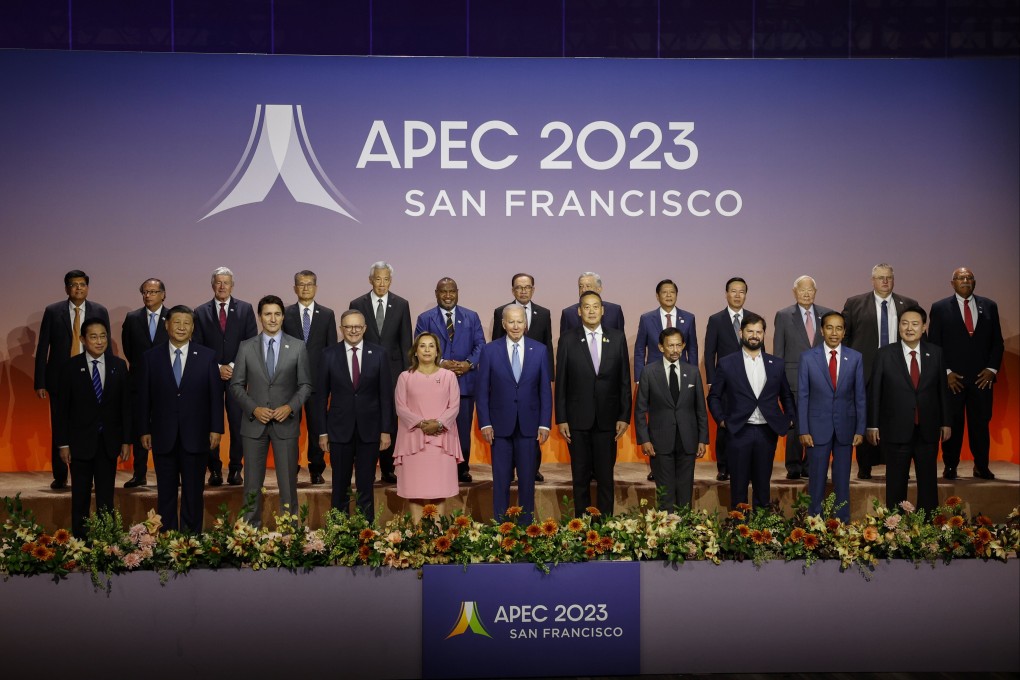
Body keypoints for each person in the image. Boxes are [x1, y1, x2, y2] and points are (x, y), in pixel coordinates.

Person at [137, 305, 224, 533]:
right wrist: (144, 429)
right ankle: (167, 538)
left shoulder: (207, 356)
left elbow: (216, 396)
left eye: (187, 323)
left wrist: (216, 428)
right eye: (177, 322)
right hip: (163, 434)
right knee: (165, 491)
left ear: (193, 327)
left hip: (196, 434)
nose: (182, 327)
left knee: (193, 491)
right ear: (167, 325)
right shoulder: (151, 357)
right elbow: (144, 397)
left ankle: (190, 539)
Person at [229, 295, 312, 526]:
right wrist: (254, 409)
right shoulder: (246, 347)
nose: (272, 319)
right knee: (251, 484)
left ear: (283, 316)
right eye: (267, 314)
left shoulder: (297, 346)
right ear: (260, 317)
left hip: (286, 423)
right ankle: (250, 532)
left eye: (277, 314)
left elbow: (305, 385)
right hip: (254, 425)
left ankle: (289, 532)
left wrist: (290, 407)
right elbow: (236, 385)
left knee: (288, 484)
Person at [866, 306, 951, 514]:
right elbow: (875, 392)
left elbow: (942, 390)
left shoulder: (936, 353)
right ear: (899, 327)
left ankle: (927, 523)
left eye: (915, 324)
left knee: (928, 482)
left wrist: (946, 422)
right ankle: (895, 525)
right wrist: (872, 424)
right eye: (904, 323)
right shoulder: (885, 354)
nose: (909, 328)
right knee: (896, 482)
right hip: (896, 429)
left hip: (927, 428)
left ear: (924, 327)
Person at [707, 312, 795, 510]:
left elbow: (786, 395)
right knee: (738, 487)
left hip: (767, 432)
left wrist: (790, 418)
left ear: (763, 335)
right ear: (741, 333)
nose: (754, 336)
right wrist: (721, 420)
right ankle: (738, 526)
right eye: (750, 331)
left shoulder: (776, 364)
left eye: (759, 332)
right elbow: (714, 396)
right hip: (739, 431)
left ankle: (760, 527)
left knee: (763, 487)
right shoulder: (727, 363)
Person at [555, 291, 632, 517]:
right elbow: (561, 382)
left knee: (606, 478)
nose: (591, 311)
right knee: (580, 478)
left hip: (608, 420)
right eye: (586, 307)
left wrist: (624, 416)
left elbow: (624, 381)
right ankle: (581, 526)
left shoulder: (617, 338)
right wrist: (561, 418)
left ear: (603, 310)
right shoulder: (567, 339)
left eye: (595, 306)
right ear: (579, 311)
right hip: (577, 420)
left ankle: (605, 525)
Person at [53, 318, 130, 538]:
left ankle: (107, 542)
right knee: (80, 496)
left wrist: (126, 440)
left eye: (103, 336)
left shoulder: (118, 366)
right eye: (94, 337)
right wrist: (63, 443)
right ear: (83, 339)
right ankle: (81, 542)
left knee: (106, 497)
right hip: (79, 443)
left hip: (108, 443)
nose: (99, 341)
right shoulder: (70, 367)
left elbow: (126, 407)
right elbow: (61, 410)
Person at [841, 263, 919, 479]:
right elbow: (845, 338)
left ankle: (899, 466)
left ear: (893, 280)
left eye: (889, 277)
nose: (885, 281)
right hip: (865, 371)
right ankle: (865, 466)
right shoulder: (855, 303)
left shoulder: (909, 304)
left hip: (899, 371)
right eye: (880, 277)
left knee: (899, 419)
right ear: (872, 280)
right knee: (866, 417)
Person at [34, 269, 111, 490]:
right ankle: (60, 475)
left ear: (88, 287)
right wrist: (40, 381)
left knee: (92, 425)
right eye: (74, 284)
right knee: (60, 424)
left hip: (92, 376)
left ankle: (91, 475)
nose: (78, 288)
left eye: (82, 284)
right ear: (67, 288)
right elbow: (43, 346)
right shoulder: (53, 311)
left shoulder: (99, 310)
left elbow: (105, 345)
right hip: (60, 378)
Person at [477, 306, 552, 525]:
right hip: (499, 427)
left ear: (526, 324)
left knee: (527, 481)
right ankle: (500, 528)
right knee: (501, 480)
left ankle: (526, 527)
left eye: (520, 322)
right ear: (503, 324)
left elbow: (545, 391)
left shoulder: (539, 350)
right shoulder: (489, 351)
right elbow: (482, 391)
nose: (516, 326)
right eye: (511, 322)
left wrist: (545, 424)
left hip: (529, 426)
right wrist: (485, 423)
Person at [927, 267, 1004, 481]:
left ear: (974, 282)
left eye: (969, 277)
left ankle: (981, 466)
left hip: (982, 379)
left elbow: (997, 342)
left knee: (980, 424)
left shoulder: (989, 306)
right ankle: (950, 466)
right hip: (953, 380)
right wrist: (946, 373)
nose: (965, 280)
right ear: (952, 283)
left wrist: (991, 369)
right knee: (952, 424)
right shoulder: (940, 308)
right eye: (960, 278)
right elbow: (934, 344)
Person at [315, 310, 393, 520]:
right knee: (340, 484)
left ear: (365, 328)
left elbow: (386, 396)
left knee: (366, 484)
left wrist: (385, 430)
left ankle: (365, 531)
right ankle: (339, 530)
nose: (353, 331)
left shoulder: (379, 354)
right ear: (341, 329)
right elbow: (321, 397)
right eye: (348, 326)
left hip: (370, 430)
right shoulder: (329, 354)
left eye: (357, 326)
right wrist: (322, 432)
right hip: (339, 430)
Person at [414, 277, 485, 483]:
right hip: (434, 383)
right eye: (443, 292)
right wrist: (442, 362)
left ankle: (462, 468)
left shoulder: (471, 316)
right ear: (436, 293)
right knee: (436, 428)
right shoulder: (425, 318)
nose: (448, 295)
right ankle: (437, 467)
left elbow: (480, 345)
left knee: (462, 429)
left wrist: (468, 364)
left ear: (457, 292)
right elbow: (418, 345)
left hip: (466, 382)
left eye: (451, 291)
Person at [192, 267, 258, 487]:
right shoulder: (200, 311)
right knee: (211, 422)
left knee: (238, 422)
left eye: (226, 282)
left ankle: (236, 468)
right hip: (210, 375)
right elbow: (198, 345)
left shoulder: (245, 309)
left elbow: (250, 342)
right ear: (213, 285)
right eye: (218, 282)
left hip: (237, 375)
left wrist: (231, 365)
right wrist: (217, 367)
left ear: (232, 285)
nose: (222, 286)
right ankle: (214, 470)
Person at [797, 312, 865, 522]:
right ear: (822, 330)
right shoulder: (808, 357)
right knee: (816, 479)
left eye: (839, 328)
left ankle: (842, 523)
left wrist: (860, 429)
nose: (834, 333)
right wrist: (803, 429)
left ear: (844, 332)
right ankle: (815, 522)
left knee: (842, 479)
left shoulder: (855, 357)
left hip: (846, 426)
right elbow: (803, 396)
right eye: (829, 327)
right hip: (816, 428)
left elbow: (860, 396)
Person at [350, 261, 412, 484]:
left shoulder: (401, 304)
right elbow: (353, 339)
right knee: (366, 416)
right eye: (378, 279)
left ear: (390, 281)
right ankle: (365, 466)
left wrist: (407, 375)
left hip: (393, 371)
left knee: (390, 418)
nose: (382, 283)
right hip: (364, 369)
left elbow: (406, 342)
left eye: (386, 279)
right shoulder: (357, 303)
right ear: (371, 280)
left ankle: (388, 468)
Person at [634, 328, 708, 511]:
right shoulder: (649, 372)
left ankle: (684, 527)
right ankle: (666, 528)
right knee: (665, 494)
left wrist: (702, 439)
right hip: (659, 441)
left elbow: (700, 408)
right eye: (671, 345)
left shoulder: (692, 372)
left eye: (678, 345)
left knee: (685, 493)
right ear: (661, 347)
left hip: (687, 440)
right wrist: (644, 439)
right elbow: (640, 409)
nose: (675, 350)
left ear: (683, 346)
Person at [491, 272, 554, 483]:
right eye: (519, 287)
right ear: (513, 290)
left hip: (533, 380)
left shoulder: (543, 313)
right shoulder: (501, 312)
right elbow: (496, 346)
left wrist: (548, 377)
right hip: (508, 380)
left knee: (531, 430)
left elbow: (547, 345)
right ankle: (508, 470)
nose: (523, 291)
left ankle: (532, 469)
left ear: (533, 289)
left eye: (527, 287)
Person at [393, 332, 462, 520]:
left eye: (431, 346)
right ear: (415, 351)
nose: (427, 350)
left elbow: (454, 406)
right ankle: (418, 532)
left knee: (439, 489)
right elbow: (401, 407)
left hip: (442, 440)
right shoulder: (405, 377)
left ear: (437, 351)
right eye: (422, 346)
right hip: (413, 440)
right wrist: (421, 423)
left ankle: (438, 531)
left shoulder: (449, 376)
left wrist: (438, 424)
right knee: (414, 490)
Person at [772, 275, 834, 480]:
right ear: (794, 292)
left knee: (817, 422)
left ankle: (811, 465)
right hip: (793, 379)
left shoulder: (827, 315)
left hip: (821, 379)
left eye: (810, 290)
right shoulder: (783, 315)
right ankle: (794, 466)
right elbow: (779, 351)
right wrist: (778, 382)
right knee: (795, 423)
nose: (806, 293)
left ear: (815, 292)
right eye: (802, 290)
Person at [283, 270, 338, 485]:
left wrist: (331, 379)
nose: (305, 288)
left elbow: (331, 349)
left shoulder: (327, 314)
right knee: (290, 428)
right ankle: (291, 467)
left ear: (316, 287)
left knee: (317, 427)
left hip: (318, 381)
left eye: (309, 284)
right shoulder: (285, 313)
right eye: (301, 284)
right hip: (290, 382)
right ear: (294, 288)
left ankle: (316, 468)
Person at [702, 276, 758, 482]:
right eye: (733, 291)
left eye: (741, 291)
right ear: (726, 294)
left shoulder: (753, 319)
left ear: (746, 295)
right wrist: (711, 381)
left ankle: (747, 467)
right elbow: (709, 353)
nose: (737, 295)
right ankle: (724, 467)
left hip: (750, 381)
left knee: (749, 425)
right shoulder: (716, 320)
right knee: (725, 425)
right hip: (724, 382)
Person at [120, 278, 169, 488]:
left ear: (163, 295)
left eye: (153, 291)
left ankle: (167, 474)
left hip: (166, 381)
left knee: (164, 428)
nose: (148, 295)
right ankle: (139, 474)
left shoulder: (173, 317)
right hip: (139, 379)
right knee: (140, 426)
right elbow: (128, 348)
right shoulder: (132, 318)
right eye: (145, 292)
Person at [559, 271, 625, 335]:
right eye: (580, 286)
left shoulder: (615, 311)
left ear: (599, 289)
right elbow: (564, 341)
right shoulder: (568, 314)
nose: (583, 290)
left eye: (588, 286)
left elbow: (621, 340)